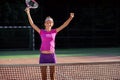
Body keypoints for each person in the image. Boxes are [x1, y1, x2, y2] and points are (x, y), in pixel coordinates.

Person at [25, 7, 74, 80]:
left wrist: (70, 18)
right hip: (43, 57)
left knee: (52, 76)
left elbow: (64, 25)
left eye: (50, 22)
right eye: (47, 22)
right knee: (44, 77)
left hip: (52, 56)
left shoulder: (54, 31)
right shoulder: (41, 31)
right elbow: (32, 24)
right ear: (45, 24)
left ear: (52, 24)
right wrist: (28, 13)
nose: (49, 23)